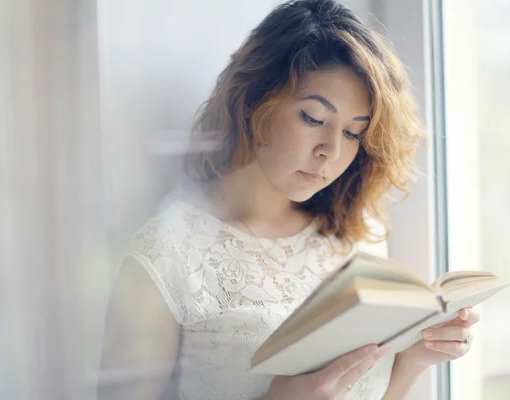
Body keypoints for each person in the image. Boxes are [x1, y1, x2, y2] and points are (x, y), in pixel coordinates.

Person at [96, 0, 481, 399]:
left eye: (352, 133)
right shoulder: (168, 253)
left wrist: (416, 359)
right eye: (314, 119)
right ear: (254, 102)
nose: (331, 150)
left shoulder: (354, 234)